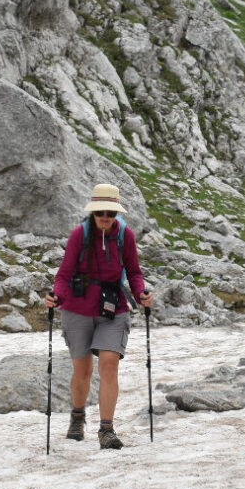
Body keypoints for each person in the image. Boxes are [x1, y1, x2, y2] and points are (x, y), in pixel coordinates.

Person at [44, 183, 154, 449]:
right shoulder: (78, 235)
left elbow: (134, 272)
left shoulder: (125, 236)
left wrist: (142, 292)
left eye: (111, 213)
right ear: (93, 213)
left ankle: (106, 430)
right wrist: (55, 295)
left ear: (117, 214)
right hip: (77, 307)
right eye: (100, 212)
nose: (105, 217)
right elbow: (64, 275)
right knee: (82, 370)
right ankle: (77, 417)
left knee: (109, 364)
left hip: (112, 306)